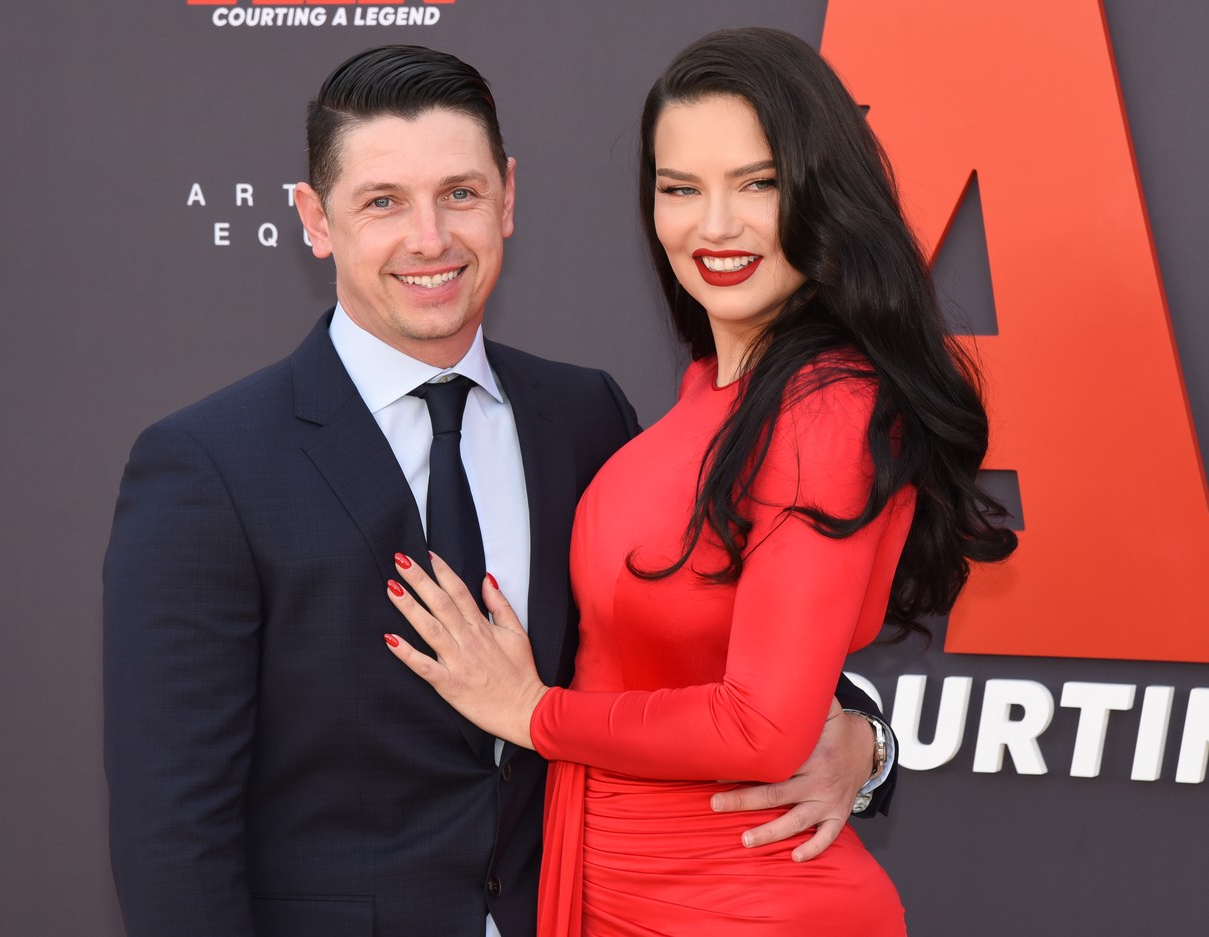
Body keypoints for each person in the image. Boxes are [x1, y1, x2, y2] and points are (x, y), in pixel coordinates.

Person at [102, 44, 897, 937]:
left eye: (460, 193)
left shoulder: (585, 417)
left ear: (507, 198)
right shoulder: (209, 464)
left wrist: (862, 738)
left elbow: (689, 632)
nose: (430, 238)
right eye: (382, 202)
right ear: (315, 220)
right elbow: (171, 832)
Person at [385, 28, 1018, 936]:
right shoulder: (702, 402)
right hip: (617, 885)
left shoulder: (828, 405)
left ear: (821, 192)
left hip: (739, 905)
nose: (714, 226)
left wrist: (534, 712)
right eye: (680, 188)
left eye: (757, 183)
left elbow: (762, 725)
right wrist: (866, 737)